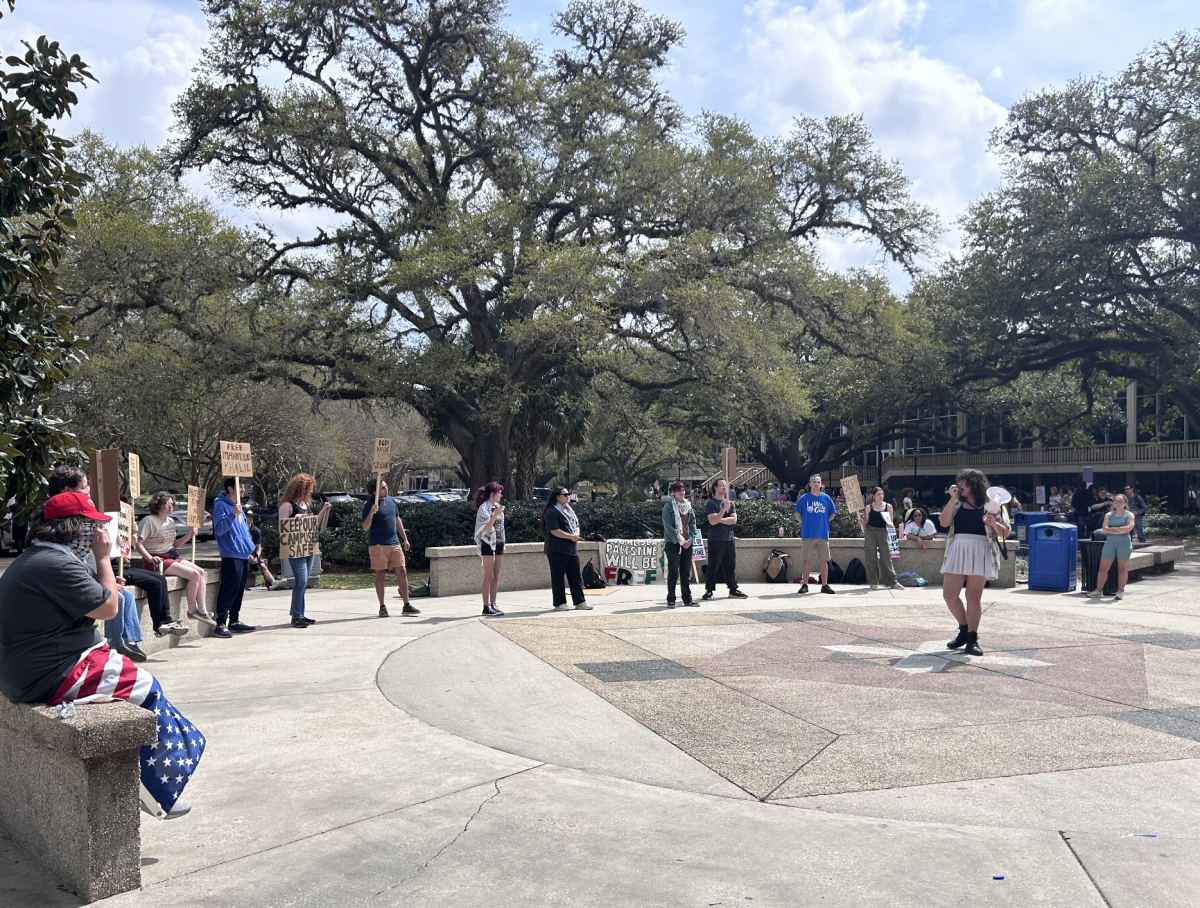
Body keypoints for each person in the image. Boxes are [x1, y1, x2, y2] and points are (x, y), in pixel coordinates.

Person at [0, 492, 203, 819]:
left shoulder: (38, 558)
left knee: (132, 680)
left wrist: (104, 580)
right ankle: (158, 789)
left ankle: (153, 781)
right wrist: (103, 559)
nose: (95, 535)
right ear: (73, 528)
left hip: (32, 668)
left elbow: (97, 598)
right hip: (51, 671)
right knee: (146, 688)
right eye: (90, 527)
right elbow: (108, 608)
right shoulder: (56, 563)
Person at [46, 467, 189, 643]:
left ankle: (129, 641)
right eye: (84, 487)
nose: (89, 491)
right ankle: (117, 642)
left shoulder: (68, 549)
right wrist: (106, 569)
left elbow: (94, 561)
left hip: (108, 572)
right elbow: (107, 607)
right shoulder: (56, 556)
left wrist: (129, 536)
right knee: (121, 597)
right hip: (59, 648)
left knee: (128, 594)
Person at [937, 469, 1011, 657]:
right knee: (949, 595)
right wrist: (952, 499)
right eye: (959, 481)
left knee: (974, 596)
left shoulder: (991, 504)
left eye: (965, 483)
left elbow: (1006, 533)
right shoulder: (955, 503)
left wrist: (993, 523)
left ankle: (972, 638)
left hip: (981, 550)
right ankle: (964, 628)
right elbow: (943, 523)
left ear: (975, 485)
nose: (960, 485)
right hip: (958, 548)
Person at [137, 491, 217, 628]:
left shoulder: (170, 521)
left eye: (172, 504)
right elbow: (138, 544)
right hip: (156, 561)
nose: (171, 507)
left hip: (169, 556)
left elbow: (174, 545)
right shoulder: (148, 521)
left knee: (201, 572)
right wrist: (150, 558)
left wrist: (189, 535)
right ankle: (192, 610)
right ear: (158, 505)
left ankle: (202, 609)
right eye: (167, 504)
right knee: (194, 575)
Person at [277, 474, 332, 629]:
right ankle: (296, 616)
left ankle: (299, 613)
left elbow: (315, 524)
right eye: (308, 489)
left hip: (308, 547)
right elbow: (282, 527)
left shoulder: (305, 505)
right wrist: (295, 520)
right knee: (300, 580)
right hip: (295, 549)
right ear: (300, 488)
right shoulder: (287, 506)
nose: (310, 492)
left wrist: (323, 510)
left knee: (304, 581)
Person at [361, 480, 418, 618]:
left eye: (386, 486)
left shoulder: (391, 501)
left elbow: (397, 520)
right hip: (378, 545)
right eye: (383, 488)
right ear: (374, 492)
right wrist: (372, 513)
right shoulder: (369, 505)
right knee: (380, 575)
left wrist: (405, 538)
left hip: (394, 543)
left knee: (402, 571)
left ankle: (406, 604)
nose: (386, 489)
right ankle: (382, 606)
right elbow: (365, 527)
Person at [212, 478, 257, 638]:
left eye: (244, 486)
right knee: (229, 589)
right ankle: (220, 623)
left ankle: (234, 620)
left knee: (239, 590)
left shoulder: (239, 508)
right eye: (241, 487)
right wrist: (232, 515)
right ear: (231, 489)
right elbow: (219, 530)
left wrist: (250, 551)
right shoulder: (221, 506)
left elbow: (244, 532)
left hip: (243, 555)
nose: (243, 489)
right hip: (231, 555)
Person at [542, 487, 591, 611]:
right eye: (565, 494)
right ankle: (559, 603)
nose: (568, 496)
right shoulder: (551, 511)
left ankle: (580, 601)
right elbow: (554, 530)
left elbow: (576, 524)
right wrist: (570, 536)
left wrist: (576, 534)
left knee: (575, 575)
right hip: (557, 548)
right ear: (557, 497)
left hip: (571, 548)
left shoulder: (569, 510)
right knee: (558, 576)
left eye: (569, 494)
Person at [701, 478, 748, 601]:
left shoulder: (730, 503)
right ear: (715, 488)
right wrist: (722, 511)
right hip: (716, 540)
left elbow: (733, 520)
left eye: (725, 485)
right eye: (721, 485)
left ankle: (733, 588)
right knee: (713, 566)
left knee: (730, 566)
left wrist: (719, 519)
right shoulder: (711, 503)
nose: (724, 487)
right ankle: (709, 590)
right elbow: (712, 521)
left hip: (729, 539)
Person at [794, 475, 836, 595]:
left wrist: (822, 522)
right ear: (810, 484)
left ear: (821, 484)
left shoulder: (826, 498)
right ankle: (805, 584)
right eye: (814, 482)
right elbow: (798, 516)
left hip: (823, 534)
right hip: (808, 534)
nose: (816, 484)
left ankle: (825, 585)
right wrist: (807, 523)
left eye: (818, 482)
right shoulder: (804, 498)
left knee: (823, 561)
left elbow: (832, 514)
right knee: (807, 560)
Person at [1091, 493, 1136, 600]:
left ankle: (1120, 591)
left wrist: (1112, 529)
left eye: (1121, 501)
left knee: (1122, 568)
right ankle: (1098, 590)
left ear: (1125, 503)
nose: (1118, 504)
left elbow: (1128, 529)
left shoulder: (1129, 515)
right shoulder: (1109, 515)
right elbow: (1105, 529)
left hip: (1124, 544)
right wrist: (1120, 529)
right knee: (1103, 568)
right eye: (1116, 501)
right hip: (1110, 544)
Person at [661, 480, 698, 608]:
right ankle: (671, 598)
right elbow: (668, 526)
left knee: (686, 571)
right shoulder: (669, 507)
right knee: (673, 571)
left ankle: (687, 598)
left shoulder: (688, 506)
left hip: (688, 542)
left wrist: (690, 540)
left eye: (683, 490)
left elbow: (693, 525)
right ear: (673, 493)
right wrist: (680, 540)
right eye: (678, 490)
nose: (682, 493)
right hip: (673, 542)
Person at [858, 487, 902, 590]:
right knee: (871, 557)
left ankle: (892, 582)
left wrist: (890, 524)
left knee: (886, 556)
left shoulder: (888, 506)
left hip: (883, 532)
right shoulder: (869, 507)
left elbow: (890, 521)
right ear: (873, 495)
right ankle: (873, 582)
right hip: (871, 532)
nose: (881, 496)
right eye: (878, 494)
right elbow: (867, 522)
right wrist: (862, 523)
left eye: (882, 494)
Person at [473, 482, 506, 617]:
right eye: (499, 492)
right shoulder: (484, 508)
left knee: (496, 575)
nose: (501, 495)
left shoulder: (497, 507)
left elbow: (500, 527)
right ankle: (486, 606)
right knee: (489, 576)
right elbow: (486, 528)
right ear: (493, 494)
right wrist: (495, 514)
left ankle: (493, 603)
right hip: (487, 543)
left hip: (499, 542)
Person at [245, 511, 284, 590]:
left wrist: (256, 556)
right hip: (244, 555)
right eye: (249, 516)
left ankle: (273, 582)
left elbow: (259, 547)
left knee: (263, 566)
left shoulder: (256, 531)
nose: (251, 518)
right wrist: (247, 556)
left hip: (254, 555)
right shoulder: (241, 530)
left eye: (252, 516)